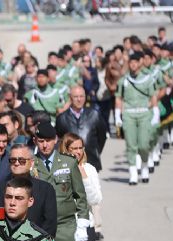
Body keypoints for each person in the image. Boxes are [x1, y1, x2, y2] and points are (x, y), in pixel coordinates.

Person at [114, 52, 159, 185]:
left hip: (144, 113)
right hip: (129, 114)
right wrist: (118, 115)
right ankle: (133, 173)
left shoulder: (148, 79)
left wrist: (155, 113)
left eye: (136, 62)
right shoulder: (124, 80)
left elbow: (153, 97)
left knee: (144, 144)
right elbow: (118, 98)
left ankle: (144, 165)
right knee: (131, 145)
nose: (133, 65)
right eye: (131, 62)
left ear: (140, 62)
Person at [55, 85, 108, 172]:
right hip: (70, 164)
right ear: (70, 98)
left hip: (91, 161)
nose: (79, 99)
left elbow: (102, 136)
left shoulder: (95, 115)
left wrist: (95, 151)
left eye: (81, 96)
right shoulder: (62, 118)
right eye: (76, 97)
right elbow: (60, 141)